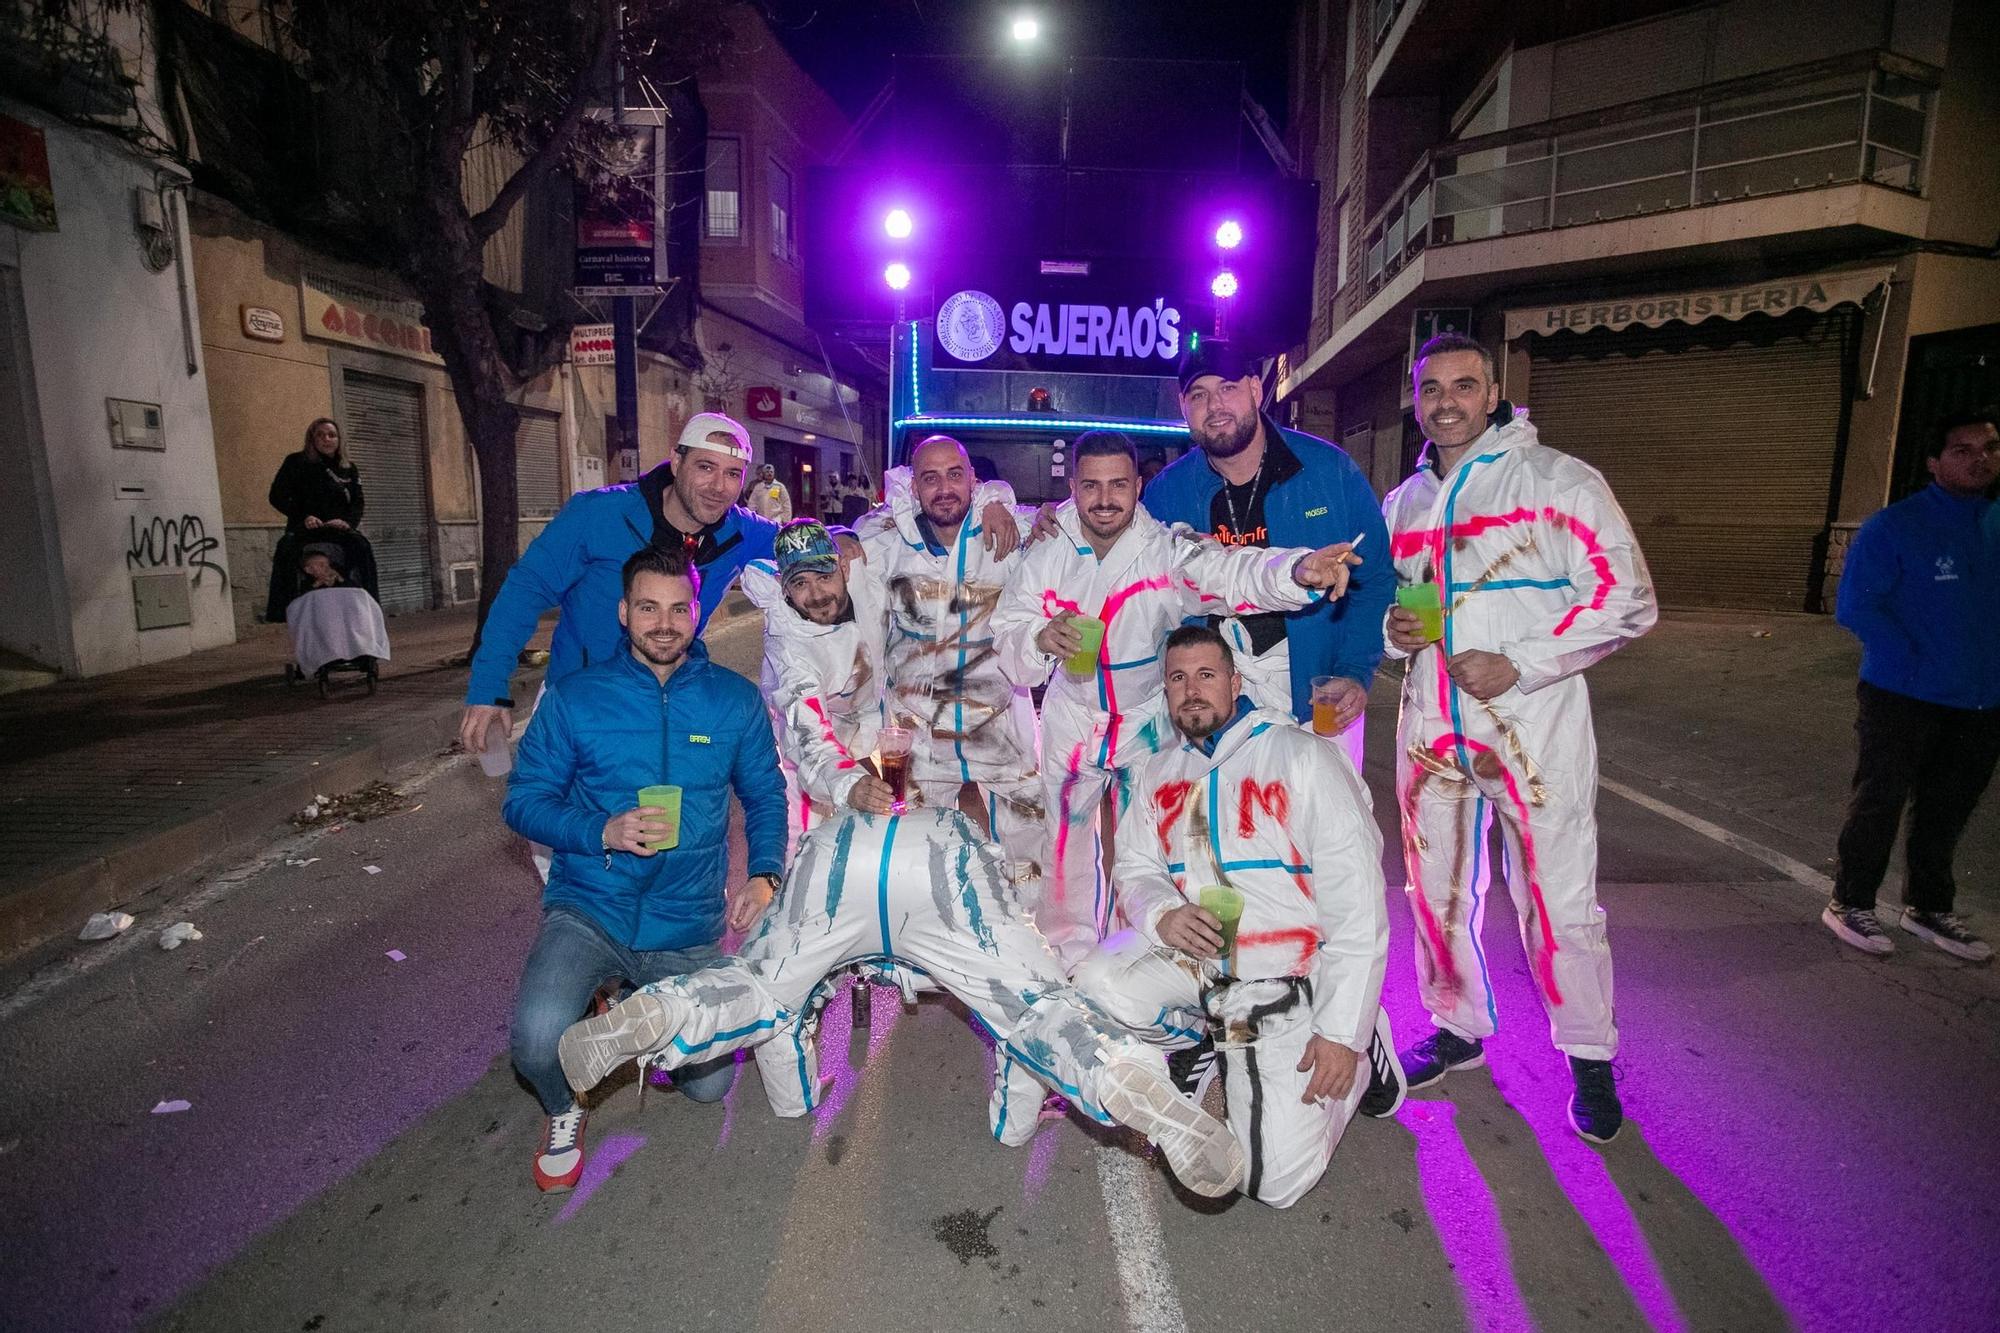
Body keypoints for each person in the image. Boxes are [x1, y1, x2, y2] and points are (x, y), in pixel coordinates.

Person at [556, 803, 1246, 1199]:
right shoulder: (996, 880)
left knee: (766, 990)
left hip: (835, 853)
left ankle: (664, 1012)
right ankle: (1125, 1077)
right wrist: (1014, 1126)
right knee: (1033, 1012)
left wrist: (797, 1101)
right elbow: (1020, 1039)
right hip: (941, 856)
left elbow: (781, 1021)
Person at [1381, 332, 1656, 1145]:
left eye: (1464, 386)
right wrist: (1399, 634)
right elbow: (1404, 616)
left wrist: (1523, 663)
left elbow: (1629, 598)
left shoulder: (1560, 482)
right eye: (1432, 389)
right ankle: (1457, 1023)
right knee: (1434, 890)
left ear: (1494, 392)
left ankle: (1589, 1056)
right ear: (1416, 400)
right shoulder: (1406, 504)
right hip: (1433, 730)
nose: (1447, 402)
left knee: (1558, 899)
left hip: (1534, 730)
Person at [993, 429, 1364, 967]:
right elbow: (1007, 629)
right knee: (1062, 849)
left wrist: (1296, 571)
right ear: (1071, 486)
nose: (1104, 499)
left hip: (1146, 722)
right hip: (1071, 718)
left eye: (1118, 484)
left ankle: (1133, 967)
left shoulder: (1166, 550)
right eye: (1090, 485)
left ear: (1139, 485)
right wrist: (1037, 638)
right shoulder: (1044, 551)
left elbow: (1229, 570)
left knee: (1149, 851)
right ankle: (1067, 965)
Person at [1071, 626, 1404, 1209]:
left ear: (1236, 682)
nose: (1191, 690)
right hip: (1201, 963)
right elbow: (1135, 867)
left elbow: (1360, 909)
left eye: (1206, 675)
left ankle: (1369, 1037)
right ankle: (1207, 1040)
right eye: (1177, 678)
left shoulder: (1301, 754)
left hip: (1287, 975)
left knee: (1272, 1183)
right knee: (1095, 985)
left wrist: (1341, 1032)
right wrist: (1163, 914)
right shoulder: (1157, 771)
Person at [501, 545, 787, 1191]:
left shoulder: (733, 701)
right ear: (624, 612)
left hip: (685, 923)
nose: (665, 622)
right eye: (649, 607)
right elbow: (521, 801)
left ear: (697, 613)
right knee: (537, 1040)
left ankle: (638, 1005)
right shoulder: (576, 699)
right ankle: (564, 1107)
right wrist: (599, 828)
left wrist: (765, 871)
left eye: (679, 608)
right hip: (591, 907)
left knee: (710, 1086)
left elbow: (766, 793)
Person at [459, 413, 777, 764]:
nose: (718, 486)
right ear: (676, 462)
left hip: (667, 703)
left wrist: (842, 540)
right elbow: (525, 590)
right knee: (556, 809)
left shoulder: (741, 531)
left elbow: (805, 540)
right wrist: (489, 686)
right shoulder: (599, 513)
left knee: (670, 811)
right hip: (579, 703)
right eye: (705, 467)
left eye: (733, 473)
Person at [1139, 341, 1393, 772]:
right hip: (1214, 701)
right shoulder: (1167, 493)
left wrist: (1353, 671)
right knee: (1221, 829)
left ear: (1256, 390)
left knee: (1323, 828)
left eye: (1228, 388)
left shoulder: (1328, 472)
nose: (1214, 405)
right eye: (1198, 395)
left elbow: (1375, 581)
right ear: (1183, 408)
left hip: (1316, 693)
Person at [1824, 412, 2000, 962]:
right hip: (1902, 695)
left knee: (1948, 808)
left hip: (1981, 700)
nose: (1980, 459)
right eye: (1963, 449)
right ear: (1933, 462)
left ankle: (1928, 907)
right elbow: (1857, 606)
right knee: (1881, 800)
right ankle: (1850, 902)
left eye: (1990, 448)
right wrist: (1916, 659)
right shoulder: (1896, 526)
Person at [854, 435, 1044, 885]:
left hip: (997, 726)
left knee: (1029, 853)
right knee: (913, 855)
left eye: (955, 475)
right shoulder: (887, 541)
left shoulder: (1009, 535)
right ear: (913, 487)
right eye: (930, 478)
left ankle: (1020, 944)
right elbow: (838, 555)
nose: (944, 488)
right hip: (915, 729)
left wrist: (1004, 499)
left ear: (974, 482)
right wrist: (842, 538)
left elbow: (1065, 526)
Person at [738, 519, 891, 850]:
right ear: (784, 588)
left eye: (824, 576)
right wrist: (848, 783)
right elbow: (809, 737)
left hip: (874, 739)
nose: (818, 594)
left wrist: (845, 532)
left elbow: (893, 518)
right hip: (811, 764)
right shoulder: (791, 650)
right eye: (801, 583)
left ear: (844, 568)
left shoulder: (866, 580)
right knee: (806, 851)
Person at [265, 417, 378, 622]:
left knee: (362, 547)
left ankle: (369, 603)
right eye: (320, 435)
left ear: (338, 440)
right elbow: (276, 496)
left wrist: (347, 523)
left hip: (338, 530)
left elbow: (357, 502)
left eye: (331, 435)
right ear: (312, 439)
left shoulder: (348, 468)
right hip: (305, 528)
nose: (326, 439)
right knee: (286, 550)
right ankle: (282, 610)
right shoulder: (295, 462)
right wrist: (303, 517)